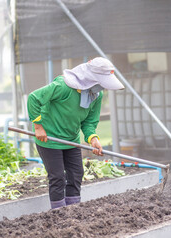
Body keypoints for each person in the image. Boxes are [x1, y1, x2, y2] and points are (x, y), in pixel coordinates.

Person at [27, 57, 125, 209]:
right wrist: (38, 127)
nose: (102, 87)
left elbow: (89, 122)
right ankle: (59, 213)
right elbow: (34, 98)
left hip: (71, 140)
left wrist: (92, 138)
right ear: (92, 79)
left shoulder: (95, 95)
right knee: (58, 177)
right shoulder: (63, 86)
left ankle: (73, 210)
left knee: (76, 174)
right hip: (50, 140)